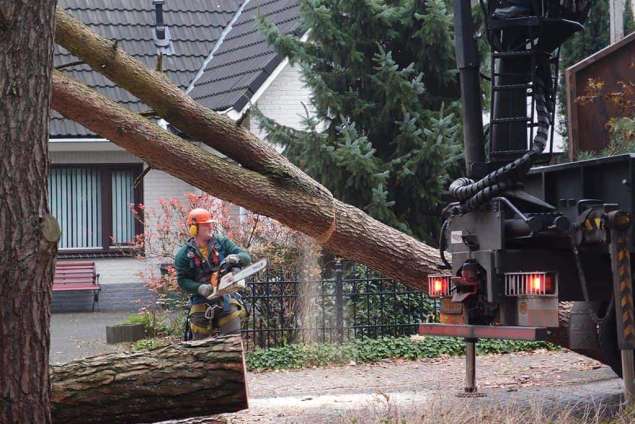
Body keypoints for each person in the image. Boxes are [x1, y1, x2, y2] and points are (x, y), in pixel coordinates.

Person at [174, 208, 251, 339]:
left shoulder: (221, 242)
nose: (210, 226)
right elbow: (182, 280)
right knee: (199, 339)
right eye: (206, 224)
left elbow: (246, 257)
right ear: (194, 228)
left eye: (210, 223)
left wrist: (236, 258)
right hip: (201, 300)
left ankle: (233, 354)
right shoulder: (183, 255)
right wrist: (198, 288)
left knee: (233, 335)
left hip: (225, 297)